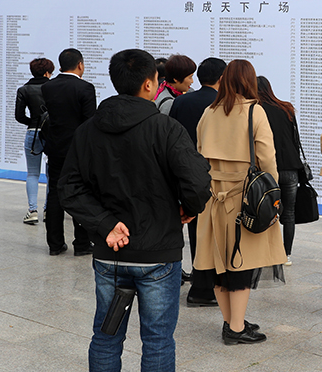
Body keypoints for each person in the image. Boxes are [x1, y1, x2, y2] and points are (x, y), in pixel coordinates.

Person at [59, 49, 211, 372]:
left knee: (106, 336)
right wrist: (189, 207)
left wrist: (105, 224)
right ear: (148, 84)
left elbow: (69, 188)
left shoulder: (88, 130)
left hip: (110, 252)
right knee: (158, 340)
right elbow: (198, 182)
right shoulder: (166, 129)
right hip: (158, 252)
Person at [194, 59, 287, 345]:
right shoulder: (254, 111)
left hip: (213, 200)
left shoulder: (208, 112)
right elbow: (267, 157)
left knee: (218, 262)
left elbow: (199, 152)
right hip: (243, 199)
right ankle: (235, 328)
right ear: (249, 80)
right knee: (241, 262)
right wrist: (273, 193)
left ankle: (231, 321)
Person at [169, 57, 227, 308]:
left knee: (195, 229)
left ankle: (198, 280)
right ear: (222, 78)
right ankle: (207, 287)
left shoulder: (181, 101)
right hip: (214, 177)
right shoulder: (222, 104)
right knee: (216, 233)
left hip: (185, 175)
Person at [41, 48, 96, 256]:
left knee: (55, 193)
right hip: (78, 150)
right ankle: (82, 244)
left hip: (55, 147)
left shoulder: (48, 87)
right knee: (80, 193)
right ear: (80, 64)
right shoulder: (85, 88)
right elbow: (89, 122)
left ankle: (55, 244)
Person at [257, 76, 302, 266]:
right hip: (290, 167)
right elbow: (295, 139)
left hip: (268, 169)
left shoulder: (256, 110)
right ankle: (286, 255)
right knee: (289, 213)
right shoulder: (286, 108)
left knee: (266, 210)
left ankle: (268, 253)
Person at [15, 57, 54, 225]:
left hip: (32, 132)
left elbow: (19, 116)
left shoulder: (24, 89)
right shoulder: (54, 88)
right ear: (47, 73)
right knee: (52, 173)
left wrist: (33, 122)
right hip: (52, 133)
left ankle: (32, 211)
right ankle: (48, 210)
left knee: (32, 173)